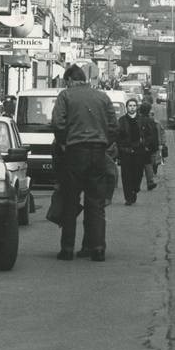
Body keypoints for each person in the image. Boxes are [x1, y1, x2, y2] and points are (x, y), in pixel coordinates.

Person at [51, 64, 117, 262]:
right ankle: (96, 248)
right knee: (95, 202)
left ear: (70, 80)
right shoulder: (102, 97)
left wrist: (64, 143)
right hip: (98, 153)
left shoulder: (66, 96)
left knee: (70, 201)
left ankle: (67, 248)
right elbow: (114, 126)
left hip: (74, 152)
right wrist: (104, 143)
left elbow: (58, 123)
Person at [117, 98, 156, 205]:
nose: (132, 107)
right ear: (127, 107)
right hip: (126, 151)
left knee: (138, 173)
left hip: (139, 151)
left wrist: (146, 144)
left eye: (134, 106)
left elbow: (149, 134)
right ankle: (128, 197)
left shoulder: (143, 120)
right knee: (126, 175)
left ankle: (135, 188)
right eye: (130, 106)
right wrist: (120, 148)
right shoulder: (121, 120)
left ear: (136, 107)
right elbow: (117, 136)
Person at [138, 102, 161, 191]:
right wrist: (154, 147)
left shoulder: (137, 119)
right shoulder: (151, 121)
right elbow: (153, 135)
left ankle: (136, 184)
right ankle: (150, 181)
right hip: (147, 146)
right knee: (148, 164)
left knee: (140, 165)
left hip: (138, 146)